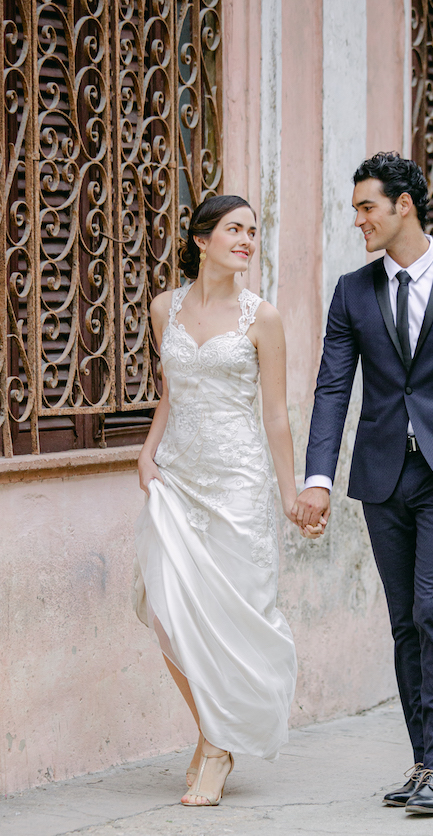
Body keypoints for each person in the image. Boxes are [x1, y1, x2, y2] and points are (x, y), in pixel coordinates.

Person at [292, 152, 433, 815]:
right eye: (356, 207)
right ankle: (427, 760)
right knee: (402, 622)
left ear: (404, 207)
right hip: (383, 475)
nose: (358, 219)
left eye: (367, 206)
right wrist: (318, 478)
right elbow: (334, 387)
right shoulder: (352, 292)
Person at [134, 195, 313, 807]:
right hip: (178, 478)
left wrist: (291, 493)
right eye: (234, 229)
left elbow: (276, 415)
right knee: (167, 611)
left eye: (253, 231)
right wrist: (146, 452)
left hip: (237, 483)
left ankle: (217, 745)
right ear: (202, 239)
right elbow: (170, 391)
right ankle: (214, 734)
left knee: (234, 617)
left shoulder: (262, 317)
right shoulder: (165, 307)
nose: (246, 240)